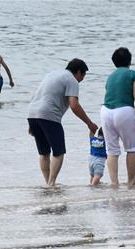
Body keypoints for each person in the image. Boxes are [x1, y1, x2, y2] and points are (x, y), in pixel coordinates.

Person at [26, 59, 98, 187]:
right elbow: (74, 105)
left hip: (32, 113)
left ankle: (48, 183)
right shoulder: (72, 80)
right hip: (49, 115)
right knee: (58, 152)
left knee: (43, 152)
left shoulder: (51, 75)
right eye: (83, 76)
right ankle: (52, 183)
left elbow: (36, 95)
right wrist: (89, 123)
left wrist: (32, 123)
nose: (82, 79)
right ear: (79, 72)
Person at [100, 47, 135, 187]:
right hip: (124, 110)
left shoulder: (110, 77)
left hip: (106, 111)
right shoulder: (133, 74)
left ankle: (114, 183)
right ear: (129, 61)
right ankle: (131, 181)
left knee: (112, 150)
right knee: (131, 148)